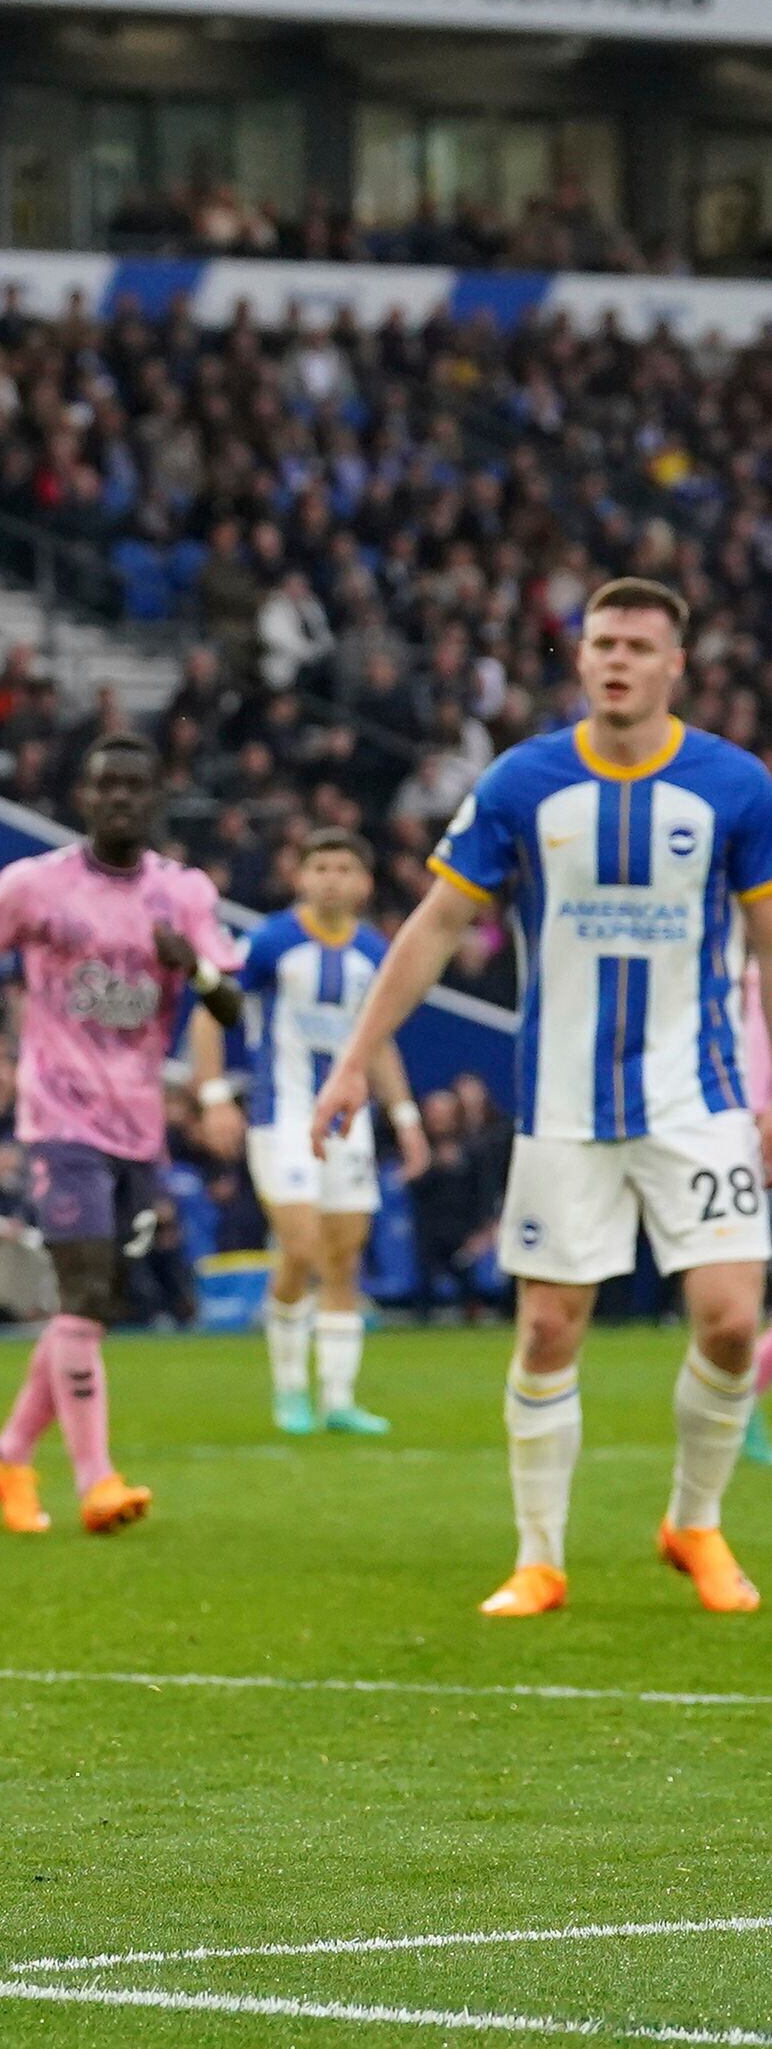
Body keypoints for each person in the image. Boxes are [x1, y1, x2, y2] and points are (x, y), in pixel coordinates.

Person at [313, 579, 772, 1618]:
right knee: (548, 1329)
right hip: (560, 1106)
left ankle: (691, 1524)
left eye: (637, 646)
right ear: (578, 659)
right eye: (600, 642)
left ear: (674, 666)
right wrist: (352, 1060)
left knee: (731, 1322)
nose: (616, 660)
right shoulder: (523, 782)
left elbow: (766, 943)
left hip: (695, 1097)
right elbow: (432, 927)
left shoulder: (733, 787)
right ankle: (538, 1558)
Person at [0, 735, 246, 1539]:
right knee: (82, 1291)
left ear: (157, 799)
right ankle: (97, 1479)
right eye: (107, 785)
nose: (121, 801)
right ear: (84, 797)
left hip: (138, 1126)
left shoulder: (186, 894)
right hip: (60, 1117)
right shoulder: (34, 886)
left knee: (92, 1304)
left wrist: (196, 970)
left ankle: (7, 1454)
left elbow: (232, 1007)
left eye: (136, 787)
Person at [192, 828, 423, 1438]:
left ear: (364, 883)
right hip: (282, 1117)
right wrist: (214, 1094)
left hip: (351, 1126)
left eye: (344, 868)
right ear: (301, 877)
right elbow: (210, 1008)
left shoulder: (375, 953)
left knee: (344, 1260)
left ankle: (339, 1400)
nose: (330, 879)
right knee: (300, 1247)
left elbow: (380, 1043)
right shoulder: (271, 941)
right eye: (319, 866)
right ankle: (290, 1391)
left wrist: (405, 1117)